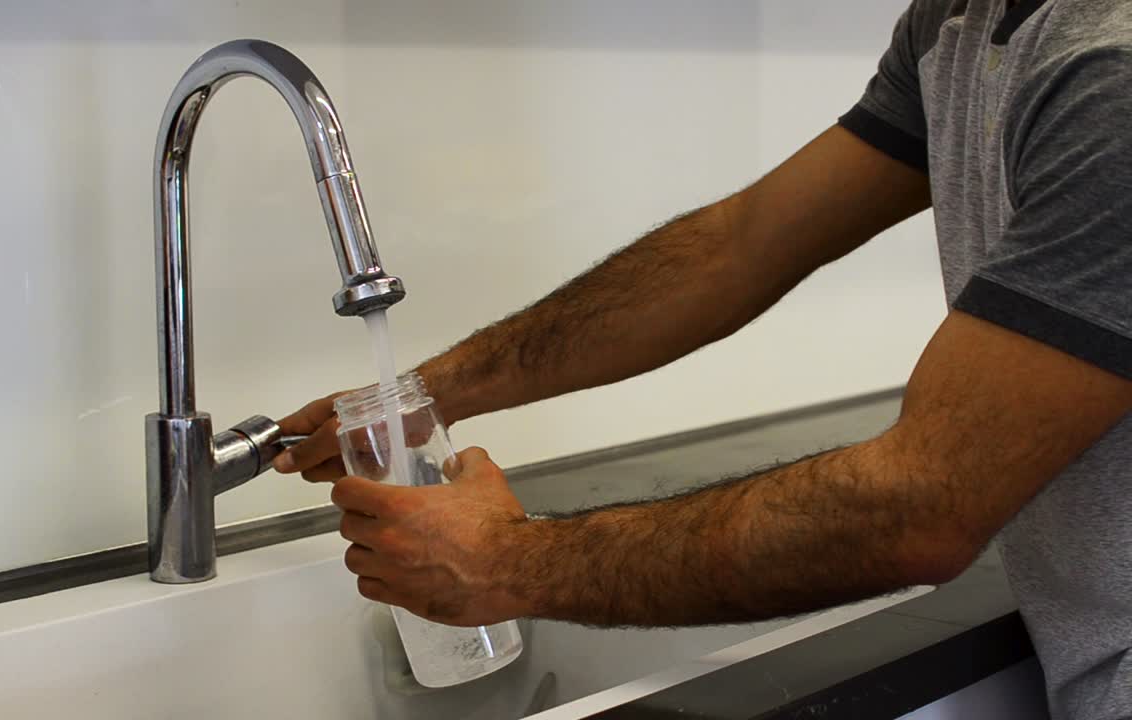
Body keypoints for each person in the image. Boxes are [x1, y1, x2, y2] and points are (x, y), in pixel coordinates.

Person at [274, 1, 1132, 716]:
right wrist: (432, 392)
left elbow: (917, 507)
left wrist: (505, 561)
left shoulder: (1111, 69)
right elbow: (739, 247)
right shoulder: (962, 16)